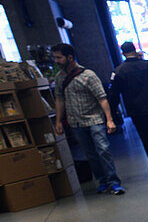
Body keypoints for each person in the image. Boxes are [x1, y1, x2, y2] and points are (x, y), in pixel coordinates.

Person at [51, 43, 124, 195]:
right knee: (90, 154)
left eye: (59, 57)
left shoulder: (88, 75)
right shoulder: (59, 78)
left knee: (103, 149)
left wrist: (109, 119)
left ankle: (113, 182)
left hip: (94, 119)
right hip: (75, 122)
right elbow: (59, 99)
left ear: (69, 57)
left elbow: (102, 98)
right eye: (54, 57)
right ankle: (102, 180)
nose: (56, 61)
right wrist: (58, 121)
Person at [108, 41, 148, 176]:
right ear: (135, 50)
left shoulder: (119, 71)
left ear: (123, 53)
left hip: (137, 111)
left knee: (146, 139)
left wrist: (113, 114)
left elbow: (113, 94)